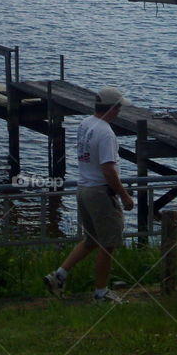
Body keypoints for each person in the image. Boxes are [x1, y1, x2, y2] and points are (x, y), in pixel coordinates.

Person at [44, 86, 135, 303]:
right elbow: (108, 169)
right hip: (100, 193)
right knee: (108, 243)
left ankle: (59, 275)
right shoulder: (106, 133)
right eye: (119, 108)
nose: (120, 112)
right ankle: (101, 293)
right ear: (112, 109)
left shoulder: (86, 124)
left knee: (91, 240)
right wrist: (124, 196)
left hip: (83, 188)